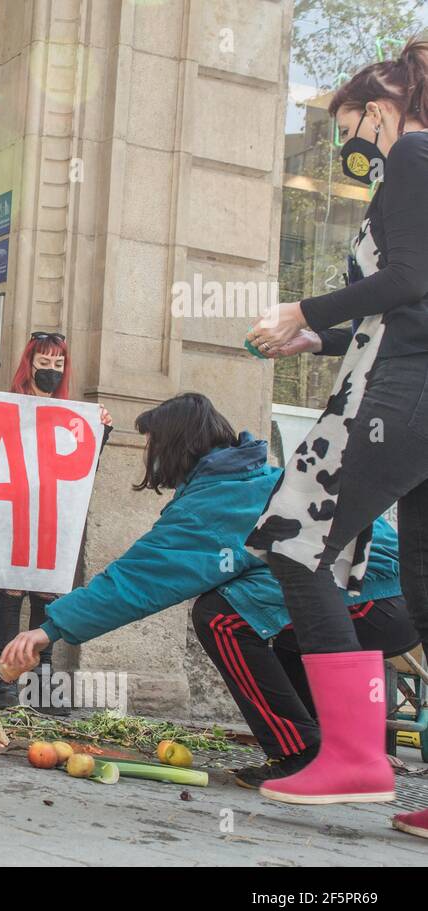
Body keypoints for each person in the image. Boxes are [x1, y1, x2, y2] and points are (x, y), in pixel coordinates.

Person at [0, 394, 418, 788]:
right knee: (264, 617)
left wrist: (48, 630)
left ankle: (301, 752)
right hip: (394, 600)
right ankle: (329, 747)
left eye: (152, 444)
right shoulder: (254, 476)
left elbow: (136, 580)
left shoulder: (217, 501)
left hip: (370, 601)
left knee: (221, 616)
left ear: (174, 446)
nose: (149, 456)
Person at [244, 38, 428, 829]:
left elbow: (411, 280)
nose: (351, 149)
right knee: (423, 591)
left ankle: (354, 758)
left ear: (379, 111)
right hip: (413, 389)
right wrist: (317, 340)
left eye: (350, 130)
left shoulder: (413, 154)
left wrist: (304, 311)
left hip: (397, 397)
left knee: (298, 544)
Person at [0, 332, 112, 708]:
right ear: (29, 365)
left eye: (58, 366)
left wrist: (100, 430)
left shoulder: (71, 414)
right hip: (14, 511)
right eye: (44, 364)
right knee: (12, 593)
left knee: (47, 592)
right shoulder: (7, 405)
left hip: (53, 514)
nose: (52, 372)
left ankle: (42, 680)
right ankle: (5, 680)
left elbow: (84, 466)